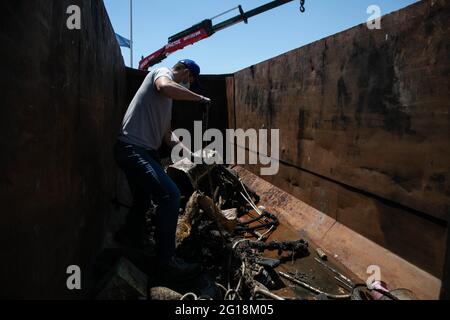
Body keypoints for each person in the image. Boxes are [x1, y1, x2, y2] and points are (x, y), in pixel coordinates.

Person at [114, 59, 211, 279]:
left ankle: (131, 239)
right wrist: (200, 99)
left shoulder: (166, 102)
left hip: (144, 151)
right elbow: (165, 86)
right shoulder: (162, 72)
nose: (189, 88)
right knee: (170, 195)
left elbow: (168, 135)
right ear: (185, 73)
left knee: (143, 199)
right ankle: (166, 261)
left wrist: (191, 154)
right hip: (132, 148)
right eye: (190, 82)